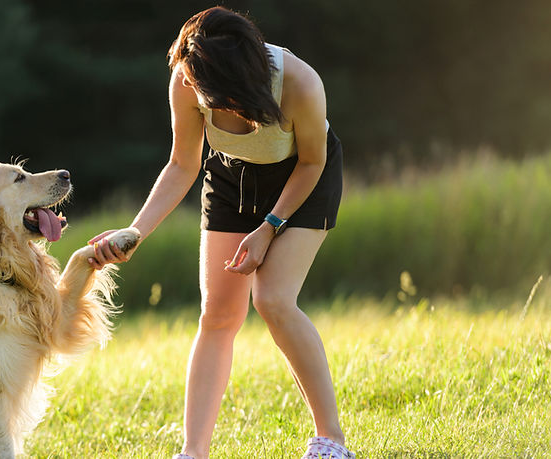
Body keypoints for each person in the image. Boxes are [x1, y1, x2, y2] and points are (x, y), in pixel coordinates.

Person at [87, 6, 353, 459]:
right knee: (217, 315)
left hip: (303, 178)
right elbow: (182, 164)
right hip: (231, 180)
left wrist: (269, 228)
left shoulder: (300, 84)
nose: (194, 93)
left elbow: (312, 162)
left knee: (272, 300)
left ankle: (331, 442)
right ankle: (193, 453)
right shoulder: (187, 79)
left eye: (206, 89)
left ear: (240, 80)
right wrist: (136, 230)